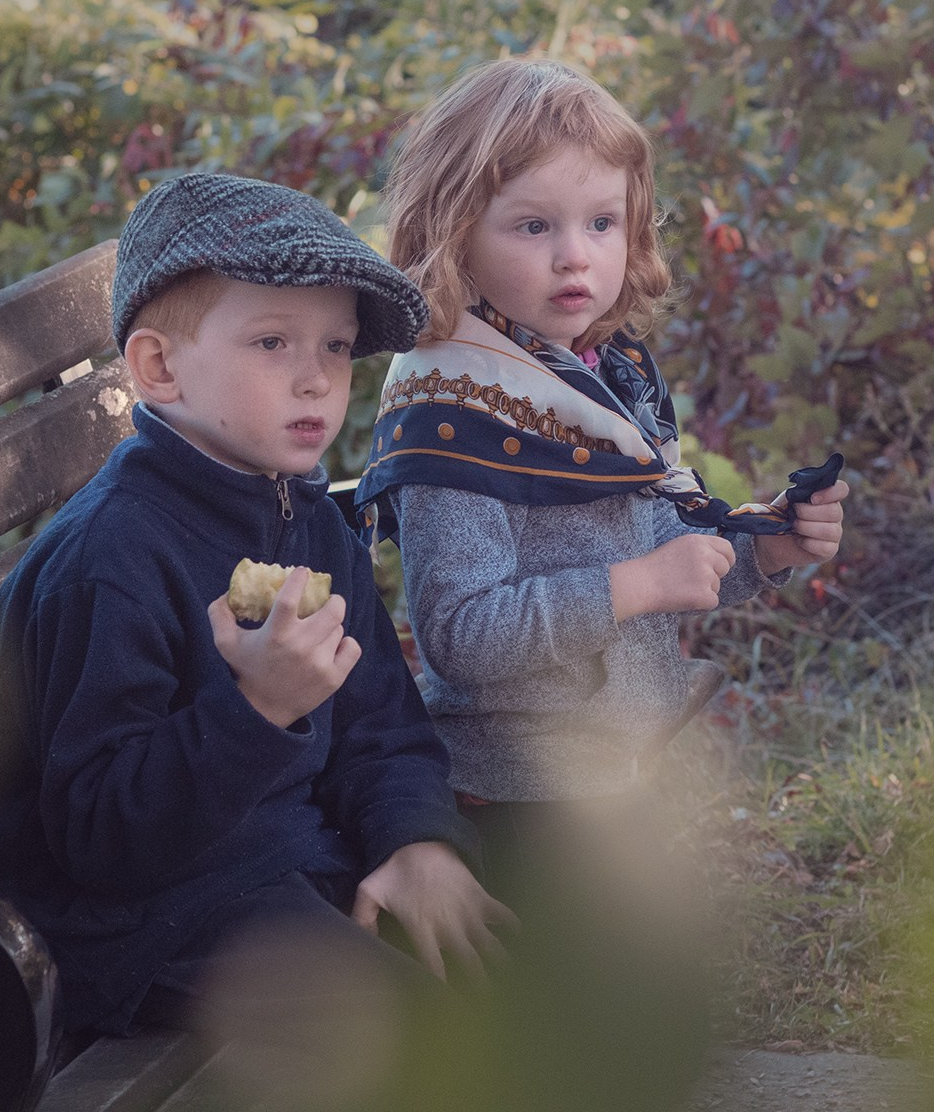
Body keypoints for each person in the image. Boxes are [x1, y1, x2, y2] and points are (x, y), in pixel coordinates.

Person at [0, 172, 512, 1039]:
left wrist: (415, 841)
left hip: (282, 859)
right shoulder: (110, 564)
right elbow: (103, 844)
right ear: (159, 367)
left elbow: (380, 726)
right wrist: (256, 710)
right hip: (135, 925)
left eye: (335, 347)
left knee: (516, 974)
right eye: (273, 343)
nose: (318, 380)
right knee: (424, 1043)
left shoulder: (311, 521)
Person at [355, 58, 849, 889]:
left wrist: (764, 550)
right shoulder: (455, 407)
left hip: (611, 767)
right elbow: (462, 635)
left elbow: (660, 545)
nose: (574, 258)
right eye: (534, 226)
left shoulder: (596, 371)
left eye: (602, 223)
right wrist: (637, 585)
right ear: (454, 233)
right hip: (525, 798)